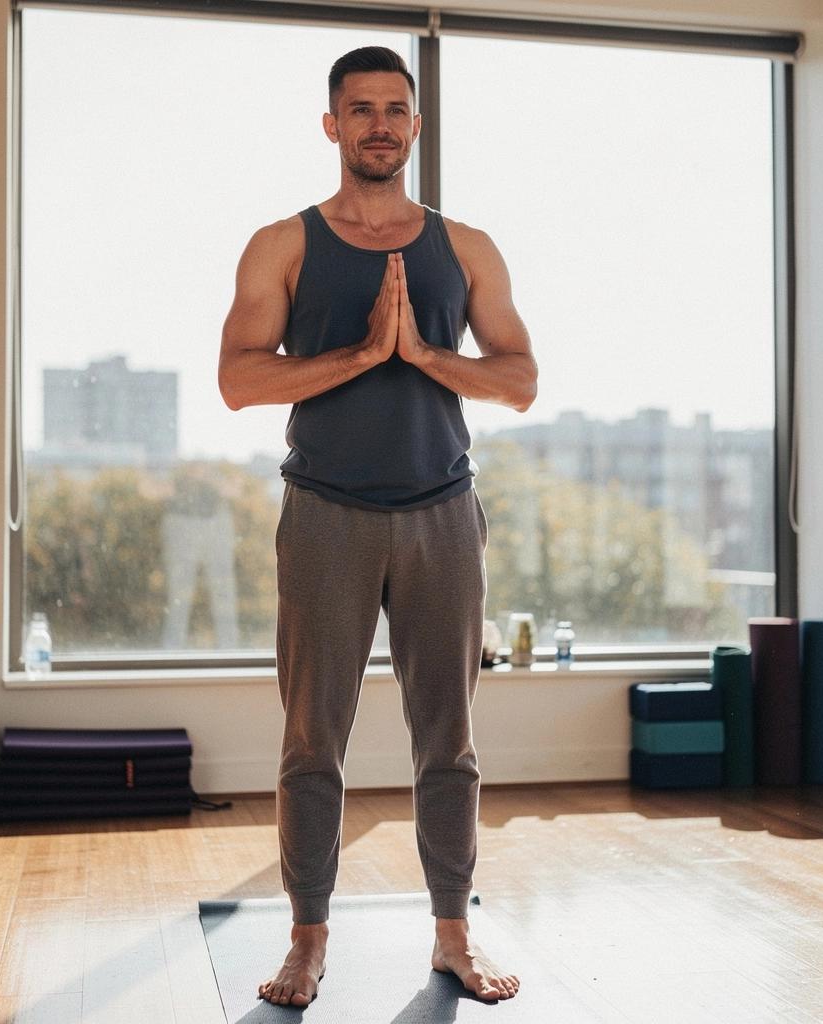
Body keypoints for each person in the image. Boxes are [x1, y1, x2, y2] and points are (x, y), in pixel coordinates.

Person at [218, 45, 537, 1008]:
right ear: (332, 124)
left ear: (416, 126)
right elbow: (239, 379)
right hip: (326, 516)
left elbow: (519, 380)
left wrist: (425, 356)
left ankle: (453, 936)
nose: (380, 124)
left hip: (442, 514)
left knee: (450, 742)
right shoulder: (283, 243)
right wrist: (362, 354)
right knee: (312, 741)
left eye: (396, 109)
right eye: (360, 110)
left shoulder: (466, 246)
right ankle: (308, 943)